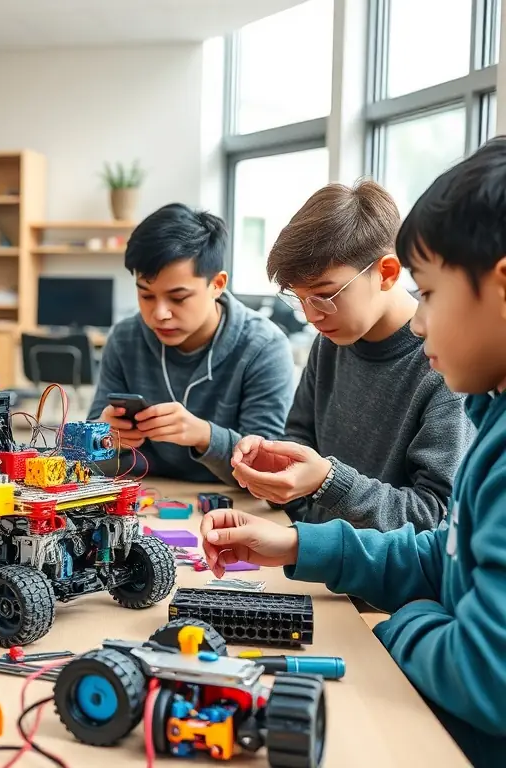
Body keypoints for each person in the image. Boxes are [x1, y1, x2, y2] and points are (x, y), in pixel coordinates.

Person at [203, 140, 506, 767]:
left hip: (409, 665)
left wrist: (404, 622)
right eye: (301, 299)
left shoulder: (455, 382)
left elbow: (483, 661)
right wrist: (296, 539)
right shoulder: (488, 406)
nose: (422, 324)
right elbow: (445, 554)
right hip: (370, 618)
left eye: (432, 293)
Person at [230, 180, 471, 532]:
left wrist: (327, 482)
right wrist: (276, 464)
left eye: (324, 296)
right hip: (319, 562)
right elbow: (300, 439)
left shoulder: (446, 364)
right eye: (298, 299)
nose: (311, 316)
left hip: (386, 584)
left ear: (386, 273)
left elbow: (435, 520)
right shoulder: (331, 341)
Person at [87, 203, 294, 484]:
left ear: (217, 284)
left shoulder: (263, 346)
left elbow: (270, 469)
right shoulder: (125, 338)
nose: (160, 314)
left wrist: (205, 436)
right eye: (146, 296)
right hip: (146, 499)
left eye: (178, 297)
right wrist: (103, 438)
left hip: (232, 507)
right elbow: (85, 461)